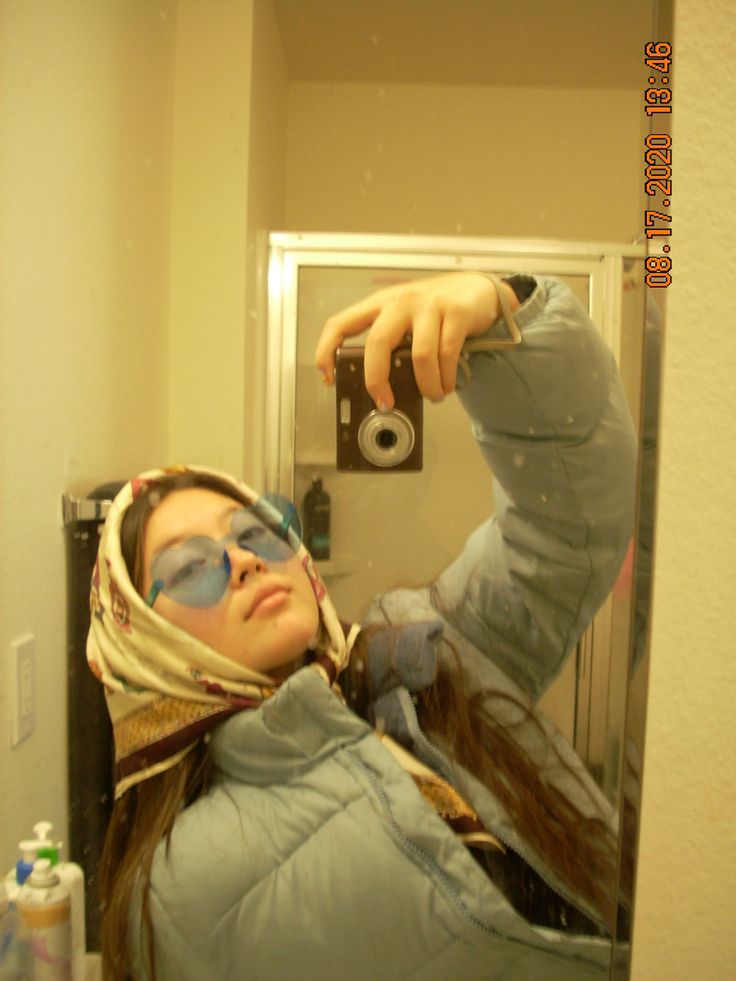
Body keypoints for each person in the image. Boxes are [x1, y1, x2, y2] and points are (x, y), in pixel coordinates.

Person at [89, 271, 637, 980]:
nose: (246, 563)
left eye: (256, 531)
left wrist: (508, 315)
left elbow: (567, 527)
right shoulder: (180, 891)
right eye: (193, 565)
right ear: (143, 641)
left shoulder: (427, 650)